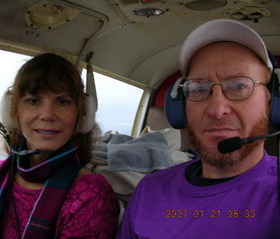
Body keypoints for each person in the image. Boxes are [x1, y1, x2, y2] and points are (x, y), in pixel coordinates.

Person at [117, 19, 280, 238]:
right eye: (199, 88)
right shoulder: (150, 190)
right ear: (182, 106)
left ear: (272, 102)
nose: (217, 109)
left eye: (239, 86)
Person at [0, 53, 119, 238]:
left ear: (82, 116)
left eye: (63, 101)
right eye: (33, 101)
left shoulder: (91, 195)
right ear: (12, 113)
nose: (47, 114)